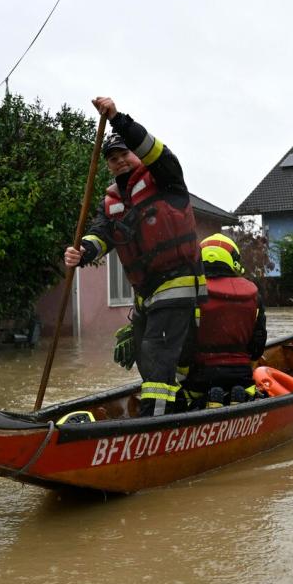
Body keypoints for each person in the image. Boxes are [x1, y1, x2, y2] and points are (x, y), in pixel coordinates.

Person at [64, 97, 205, 417]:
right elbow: (101, 234)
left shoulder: (166, 177)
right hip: (146, 295)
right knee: (148, 354)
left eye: (124, 154)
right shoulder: (111, 200)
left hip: (179, 282)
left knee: (156, 353)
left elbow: (155, 150)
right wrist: (82, 252)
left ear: (137, 154)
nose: (119, 162)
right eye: (112, 158)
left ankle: (153, 426)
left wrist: (116, 119)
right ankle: (180, 405)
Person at [184, 233, 267, 408]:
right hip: (242, 375)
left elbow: (185, 345)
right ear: (233, 260)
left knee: (186, 393)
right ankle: (237, 397)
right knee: (246, 390)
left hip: (202, 376)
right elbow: (257, 347)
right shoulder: (253, 294)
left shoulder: (191, 293)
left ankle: (206, 402)